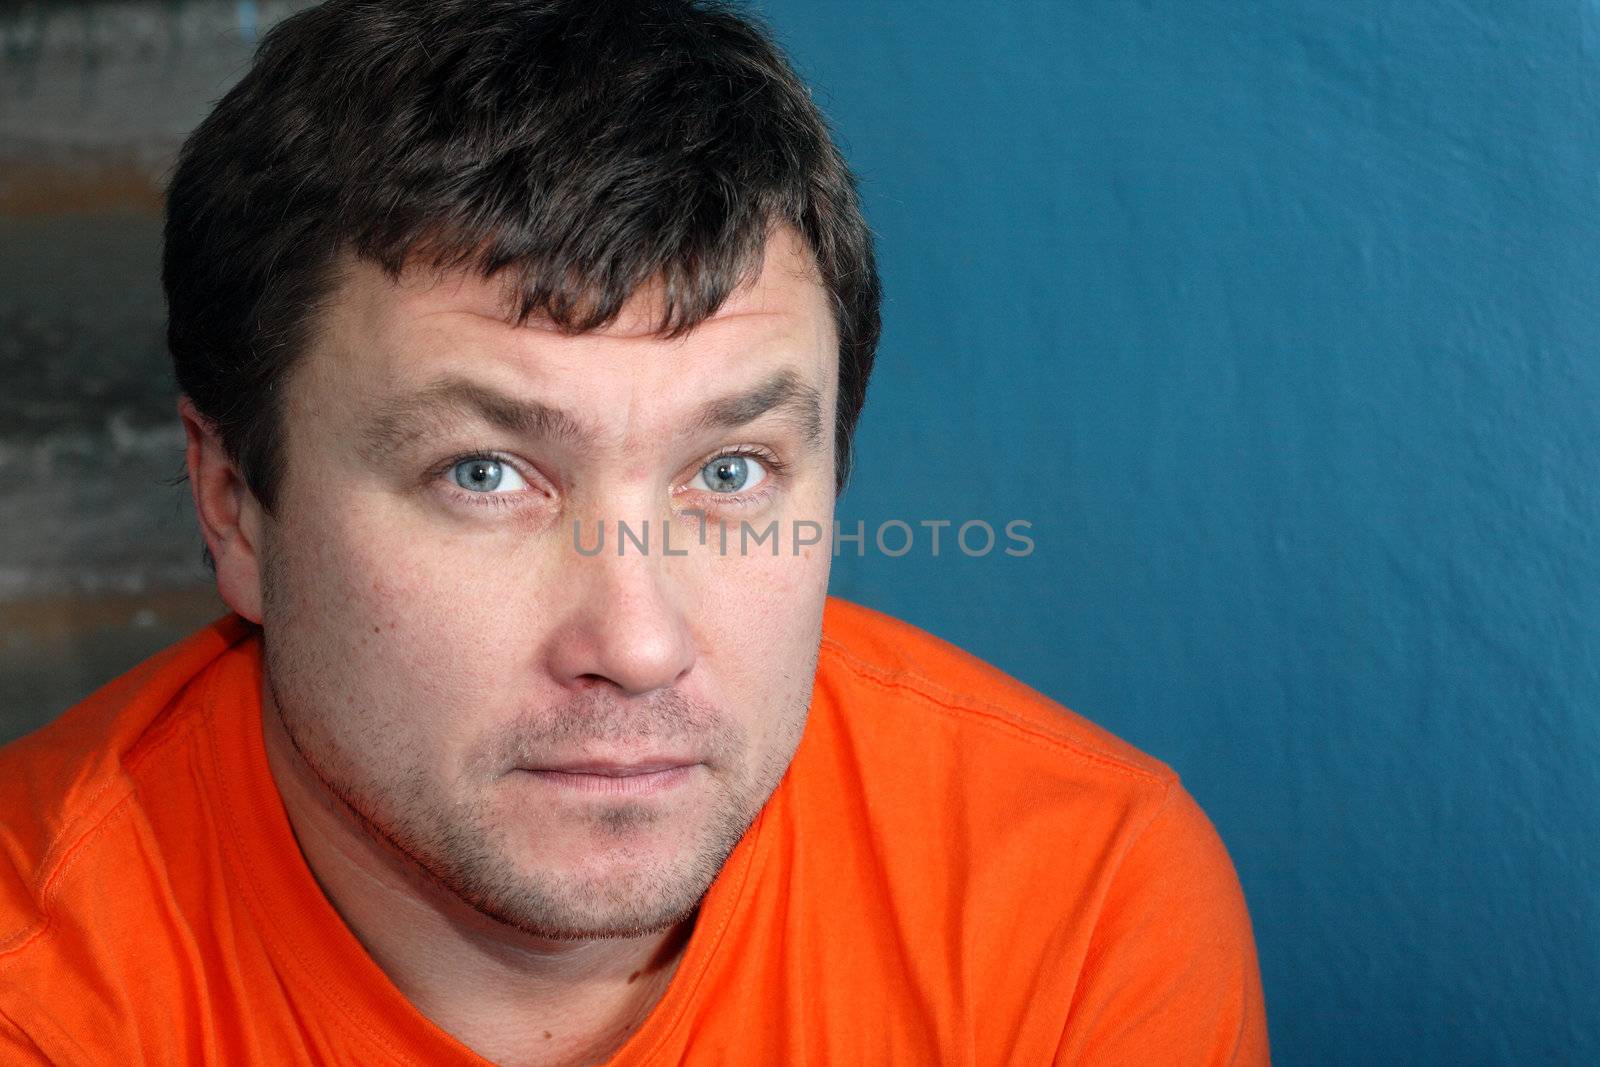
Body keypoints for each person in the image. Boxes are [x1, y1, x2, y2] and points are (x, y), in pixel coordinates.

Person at [0, 1, 1270, 1062]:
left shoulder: (1072, 900)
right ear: (234, 508)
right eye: (485, 473)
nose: (640, 640)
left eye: (730, 468)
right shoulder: (44, 987)